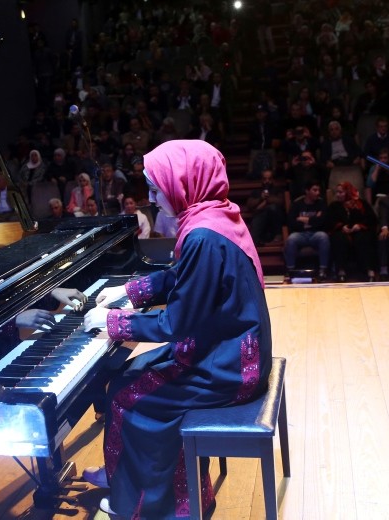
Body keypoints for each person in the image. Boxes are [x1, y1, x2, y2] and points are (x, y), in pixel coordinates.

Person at [81, 140, 271, 518]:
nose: (151, 199)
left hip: (229, 367)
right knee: (127, 374)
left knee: (127, 396)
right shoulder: (215, 214)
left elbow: (176, 322)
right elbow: (182, 277)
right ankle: (124, 474)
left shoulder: (202, 235)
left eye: (156, 188)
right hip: (230, 346)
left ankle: (147, 502)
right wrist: (128, 291)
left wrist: (113, 322)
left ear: (183, 181)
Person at [325, 182, 378, 283]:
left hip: (359, 231)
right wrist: (341, 226)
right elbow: (329, 221)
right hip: (342, 232)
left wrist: (359, 226)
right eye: (337, 192)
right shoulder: (334, 206)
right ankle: (341, 271)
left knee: (364, 238)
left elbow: (371, 219)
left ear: (348, 192)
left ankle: (369, 271)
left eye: (341, 192)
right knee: (339, 238)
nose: (337, 195)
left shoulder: (361, 204)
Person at [284, 180, 331, 280]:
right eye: (315, 190)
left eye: (318, 190)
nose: (318, 193)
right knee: (291, 239)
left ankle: (323, 270)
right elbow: (291, 222)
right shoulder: (297, 204)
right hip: (300, 234)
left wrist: (304, 220)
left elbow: (323, 221)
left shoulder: (321, 203)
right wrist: (314, 221)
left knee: (323, 237)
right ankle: (290, 271)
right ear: (307, 191)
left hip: (316, 234)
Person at [246, 168, 285, 246]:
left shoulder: (278, 190)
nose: (267, 181)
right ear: (261, 180)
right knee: (259, 214)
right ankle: (255, 240)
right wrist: (261, 198)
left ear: (273, 180)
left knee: (272, 208)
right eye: (265, 179)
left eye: (269, 179)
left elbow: (281, 201)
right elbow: (249, 204)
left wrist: (266, 200)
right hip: (260, 219)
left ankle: (277, 235)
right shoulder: (256, 192)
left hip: (274, 220)